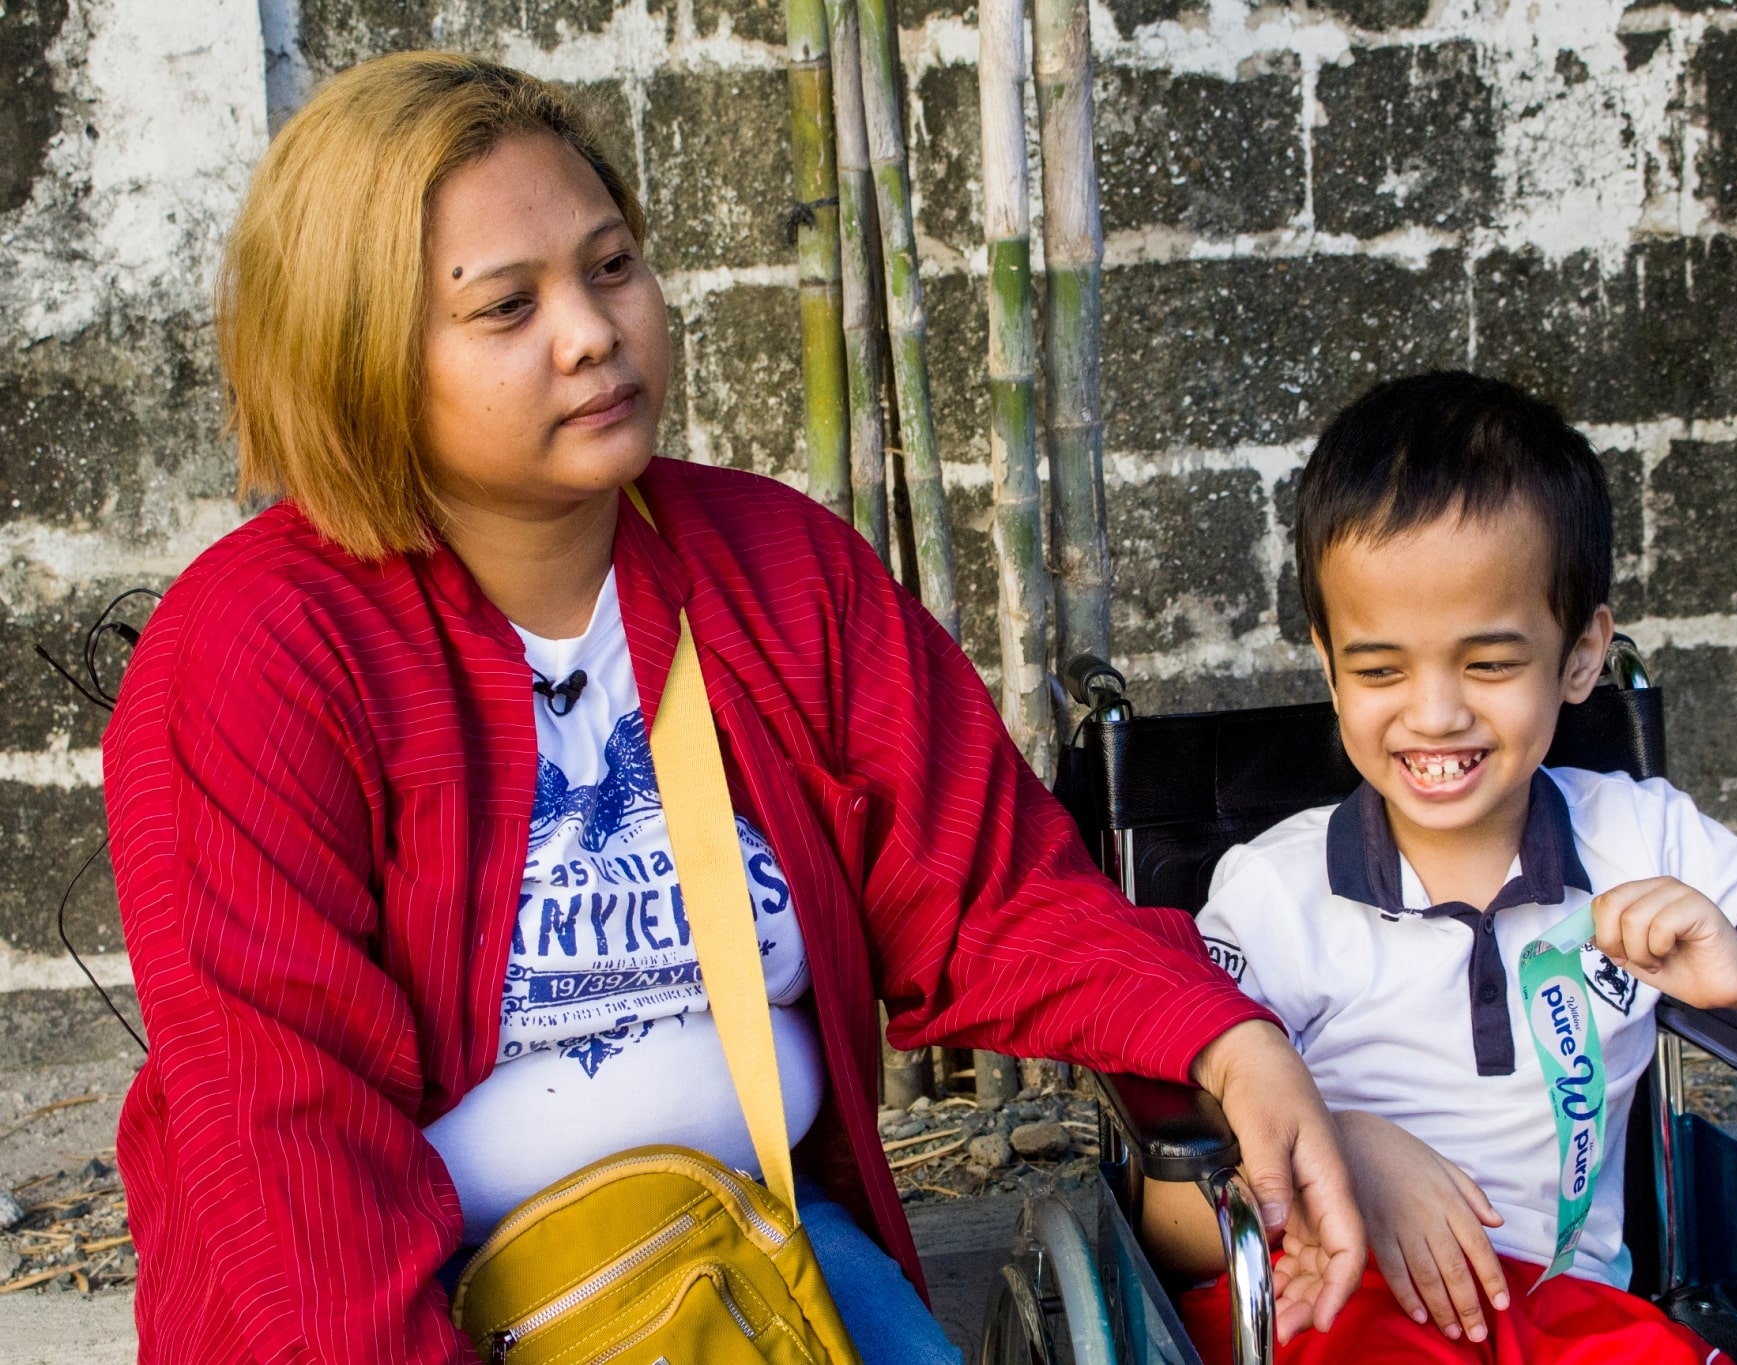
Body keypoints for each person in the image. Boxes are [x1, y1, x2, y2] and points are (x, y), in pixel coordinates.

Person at [102, 53, 1364, 1364]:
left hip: (750, 1254)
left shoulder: (775, 571)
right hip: (415, 1302)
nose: (592, 332)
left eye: (610, 267)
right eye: (505, 307)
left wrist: (1217, 1033)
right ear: (359, 352)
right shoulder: (259, 649)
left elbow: (990, 896)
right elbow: (280, 1137)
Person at [1142, 371, 1737, 1364]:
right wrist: (1341, 1150)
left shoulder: (1642, 842)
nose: (1434, 713)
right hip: (1336, 1294)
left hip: (1569, 1313)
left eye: (1488, 662)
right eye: (1378, 669)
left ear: (1579, 658)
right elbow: (1168, 1215)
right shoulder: (1275, 894)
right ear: (1326, 665)